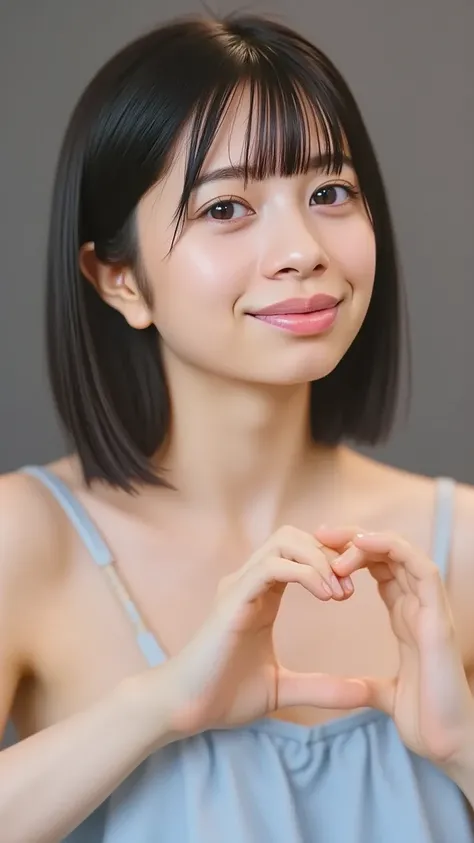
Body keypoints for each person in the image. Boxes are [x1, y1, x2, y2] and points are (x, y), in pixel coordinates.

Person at [0, 12, 473, 843]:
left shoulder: (457, 544)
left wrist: (463, 747)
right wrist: (159, 706)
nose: (301, 250)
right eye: (226, 207)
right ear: (119, 280)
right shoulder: (28, 539)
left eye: (330, 193)